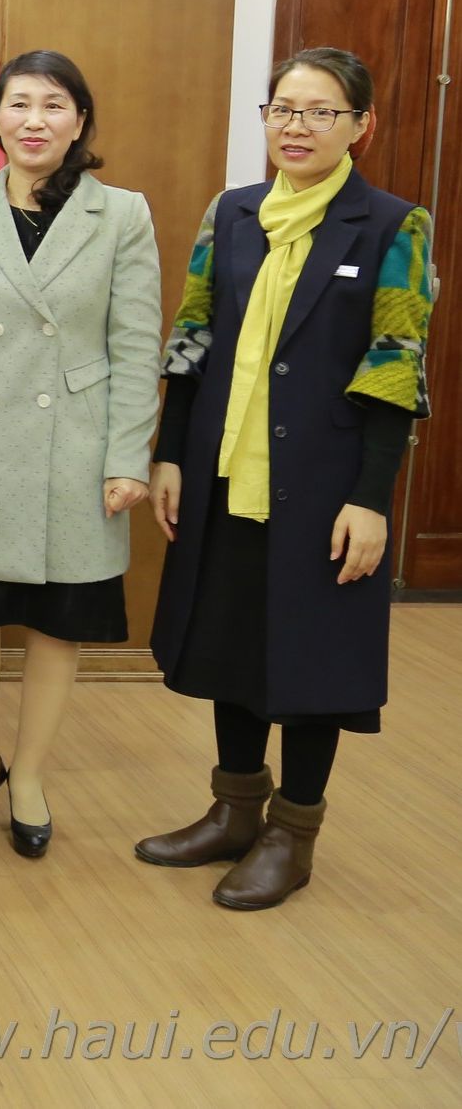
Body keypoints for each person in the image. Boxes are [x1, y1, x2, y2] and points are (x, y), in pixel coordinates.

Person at [137, 47, 432, 910]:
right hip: (229, 470)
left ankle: (292, 834)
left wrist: (372, 496)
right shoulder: (231, 215)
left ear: (360, 126)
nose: (296, 127)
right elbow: (191, 342)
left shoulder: (389, 225)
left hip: (327, 483)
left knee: (310, 657)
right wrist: (171, 454)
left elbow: (395, 366)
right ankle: (234, 811)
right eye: (283, 109)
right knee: (232, 641)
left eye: (320, 111)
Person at [0, 50, 161, 860]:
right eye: (19, 104)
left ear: (80, 120)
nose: (35, 120)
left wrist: (128, 456)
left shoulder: (122, 215)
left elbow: (135, 339)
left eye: (54, 105)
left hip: (75, 449)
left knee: (57, 622)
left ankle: (34, 775)